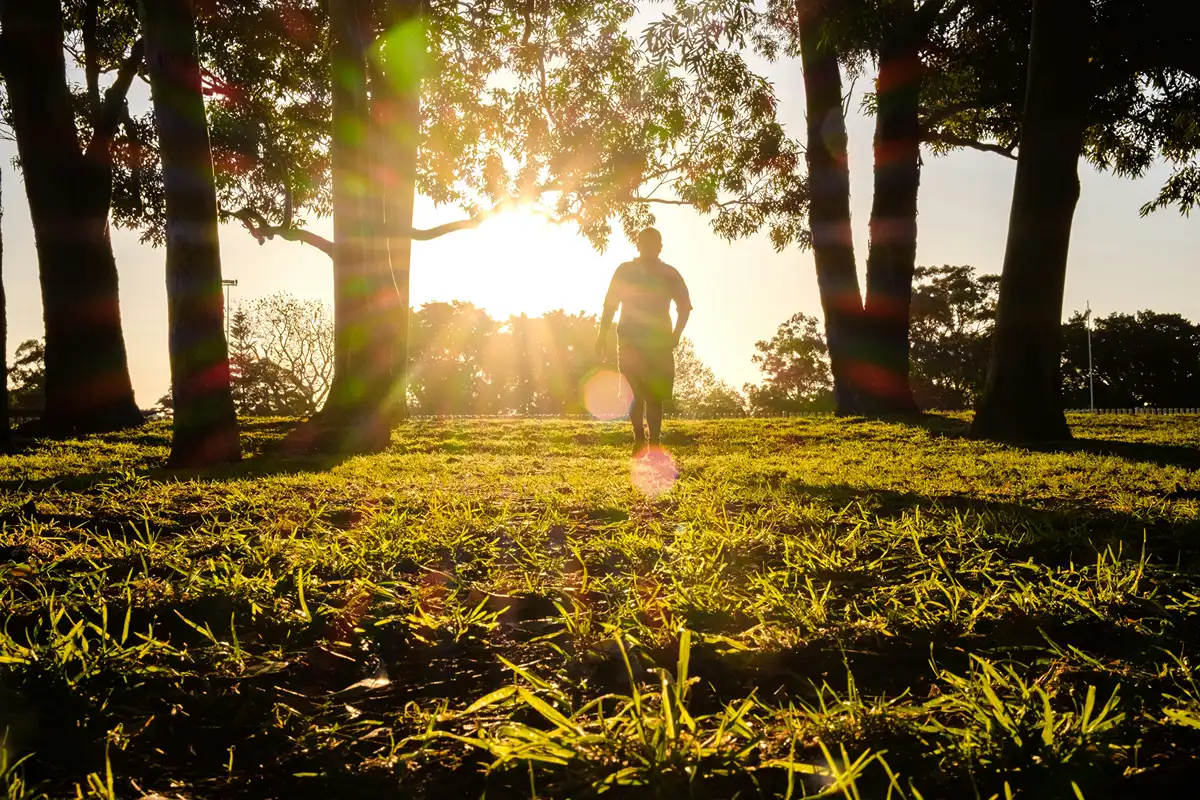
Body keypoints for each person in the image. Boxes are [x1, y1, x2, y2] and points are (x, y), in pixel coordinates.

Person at [596, 227, 691, 455]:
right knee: (634, 393)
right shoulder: (625, 271)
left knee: (655, 395)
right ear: (637, 245)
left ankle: (655, 440)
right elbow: (610, 303)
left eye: (654, 244)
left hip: (659, 343)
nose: (649, 248)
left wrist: (676, 334)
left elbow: (685, 306)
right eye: (644, 243)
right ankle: (639, 436)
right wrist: (602, 334)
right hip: (629, 341)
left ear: (660, 247)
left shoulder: (670, 274)